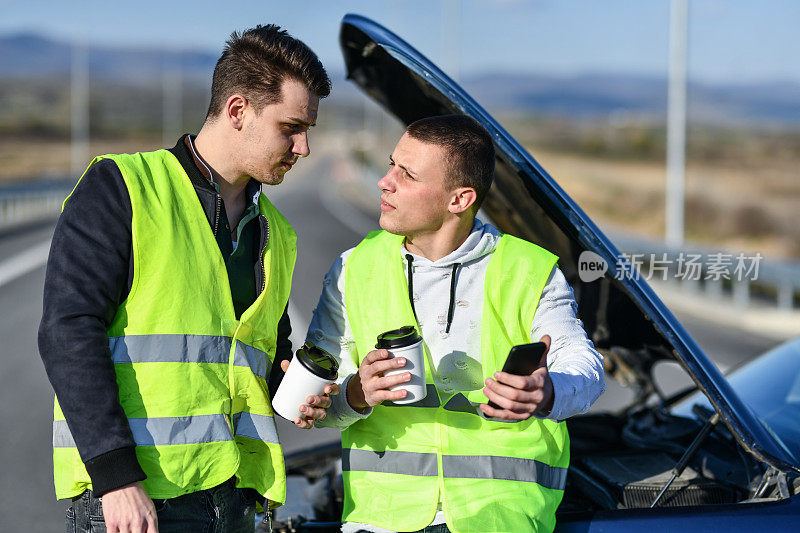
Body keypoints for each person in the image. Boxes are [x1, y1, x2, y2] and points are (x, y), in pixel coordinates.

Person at [39, 24, 337, 533]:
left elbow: (260, 357)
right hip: (141, 498)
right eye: (291, 127)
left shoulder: (276, 234)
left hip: (240, 500)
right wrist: (115, 478)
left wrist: (299, 391)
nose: (303, 147)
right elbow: (68, 332)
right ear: (238, 110)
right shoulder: (124, 187)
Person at [306, 115, 606, 533]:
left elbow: (585, 368)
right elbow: (319, 410)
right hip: (382, 521)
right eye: (392, 164)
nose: (384, 181)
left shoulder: (529, 269)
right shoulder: (352, 268)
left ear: (459, 200)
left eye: (406, 175)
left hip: (500, 519)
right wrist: (356, 392)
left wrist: (547, 390)